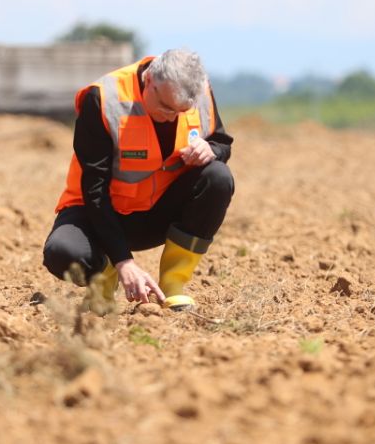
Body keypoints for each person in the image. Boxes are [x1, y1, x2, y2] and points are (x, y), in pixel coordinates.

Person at [43, 48, 234, 311]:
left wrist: (211, 150)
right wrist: (123, 261)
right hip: (97, 212)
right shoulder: (103, 99)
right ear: (150, 81)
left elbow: (222, 142)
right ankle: (104, 278)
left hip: (156, 214)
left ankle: (173, 283)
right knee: (62, 254)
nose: (172, 117)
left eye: (181, 111)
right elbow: (94, 189)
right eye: (166, 107)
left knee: (218, 177)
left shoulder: (198, 91)